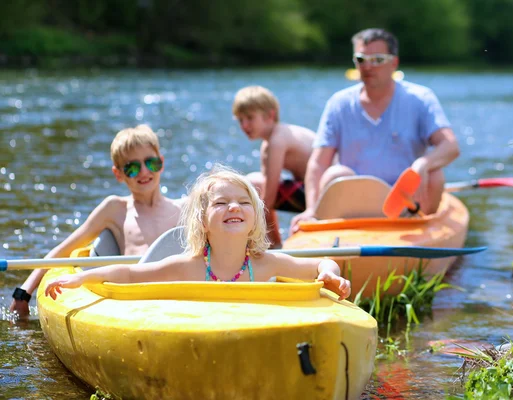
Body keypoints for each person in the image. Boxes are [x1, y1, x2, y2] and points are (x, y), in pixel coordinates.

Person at [44, 165, 351, 300]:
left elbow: (321, 263)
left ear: (255, 219)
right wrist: (82, 277)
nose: (234, 207)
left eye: (244, 202)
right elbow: (129, 274)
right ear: (203, 222)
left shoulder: (263, 263)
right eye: (221, 203)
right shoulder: (189, 266)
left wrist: (330, 274)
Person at [291, 28, 460, 232]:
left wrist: (423, 164)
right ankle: (330, 232)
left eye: (378, 59)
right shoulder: (339, 103)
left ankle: (420, 230)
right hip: (354, 205)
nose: (368, 66)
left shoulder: (421, 98)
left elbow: (450, 146)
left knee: (435, 174)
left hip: (406, 203)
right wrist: (310, 209)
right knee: (335, 174)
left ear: (394, 63)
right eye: (361, 59)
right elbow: (318, 163)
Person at [10, 125, 183, 317]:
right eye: (132, 168)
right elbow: (64, 250)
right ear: (118, 174)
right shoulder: (115, 209)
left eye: (151, 163)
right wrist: (24, 292)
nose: (143, 171)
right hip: (136, 296)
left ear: (162, 162)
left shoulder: (184, 208)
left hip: (177, 292)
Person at [232, 86, 316, 248]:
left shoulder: (277, 140)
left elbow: (268, 198)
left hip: (322, 196)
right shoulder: (272, 141)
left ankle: (274, 247)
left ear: (270, 115)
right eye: (240, 120)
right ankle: (274, 244)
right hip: (316, 192)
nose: (244, 125)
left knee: (254, 185)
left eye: (250, 118)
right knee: (256, 185)